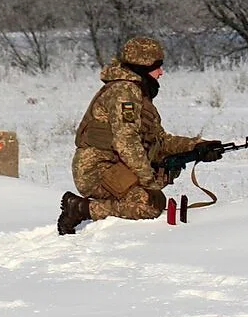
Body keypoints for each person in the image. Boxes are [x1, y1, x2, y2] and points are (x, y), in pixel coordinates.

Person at [57, 36, 222, 235]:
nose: (161, 72)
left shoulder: (137, 93)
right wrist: (147, 179)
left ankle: (92, 206)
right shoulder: (124, 92)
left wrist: (197, 147)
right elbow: (126, 141)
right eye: (157, 67)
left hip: (115, 165)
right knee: (148, 205)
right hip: (97, 170)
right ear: (143, 67)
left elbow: (160, 141)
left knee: (156, 198)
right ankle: (80, 209)